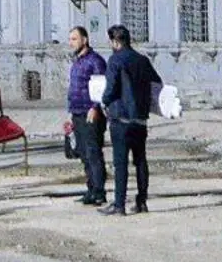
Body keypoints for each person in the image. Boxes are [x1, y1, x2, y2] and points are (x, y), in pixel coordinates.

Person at [99, 24, 162, 217]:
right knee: (140, 160)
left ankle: (119, 205)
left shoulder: (115, 60)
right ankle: (142, 201)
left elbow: (110, 89)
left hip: (121, 117)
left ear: (115, 41)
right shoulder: (142, 60)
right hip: (140, 119)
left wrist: (104, 101)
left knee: (120, 163)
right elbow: (157, 82)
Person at [64, 26, 107, 207]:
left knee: (93, 152)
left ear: (85, 39)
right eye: (70, 39)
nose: (71, 42)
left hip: (91, 114)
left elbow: (101, 86)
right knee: (83, 153)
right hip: (77, 112)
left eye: (74, 39)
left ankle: (99, 191)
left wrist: (95, 107)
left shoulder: (95, 61)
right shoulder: (77, 62)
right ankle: (90, 189)